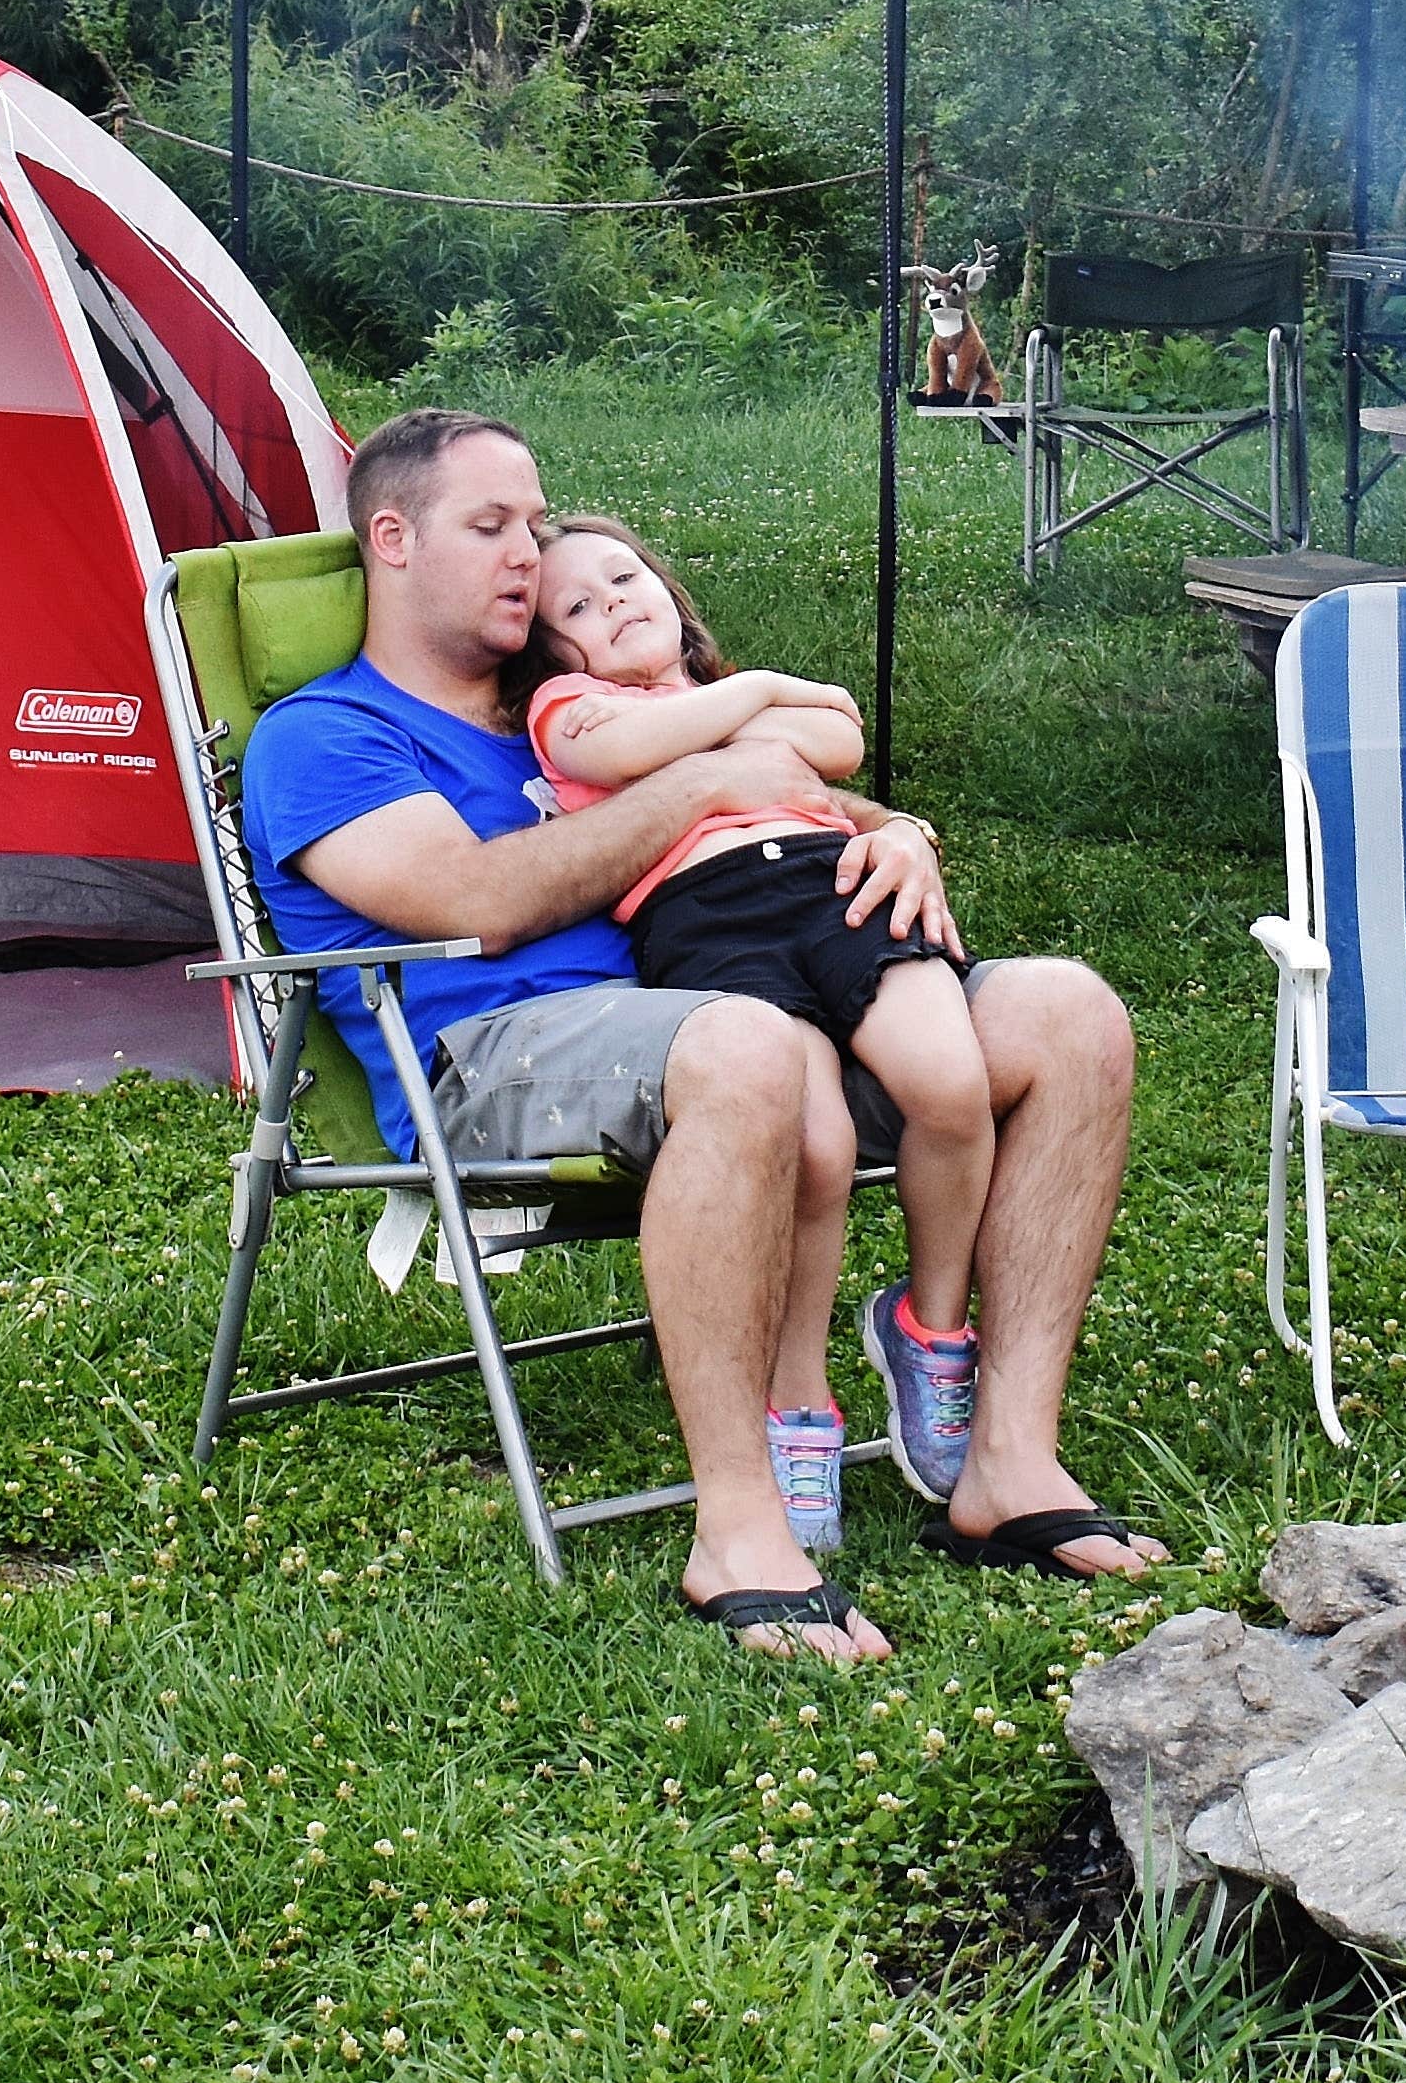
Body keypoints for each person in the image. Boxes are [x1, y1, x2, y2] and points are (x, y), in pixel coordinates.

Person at [242, 409, 1168, 1661]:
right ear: (393, 539)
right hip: (508, 1057)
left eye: (536, 520)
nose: (530, 550)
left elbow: (779, 794)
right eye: (491, 524)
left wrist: (891, 830)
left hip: (745, 1002)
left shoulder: (579, 710)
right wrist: (708, 781)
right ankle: (738, 1529)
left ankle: (1008, 1455)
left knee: (1069, 1012)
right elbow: (477, 901)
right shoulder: (328, 734)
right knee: (742, 1046)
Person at [505, 514, 1000, 1542]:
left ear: (667, 586)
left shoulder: (699, 702)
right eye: (580, 610)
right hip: (711, 919)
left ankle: (930, 1329)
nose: (615, 604)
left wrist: (736, 710)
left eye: (625, 577)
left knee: (952, 1088)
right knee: (813, 1151)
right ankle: (798, 1401)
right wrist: (761, 696)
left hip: (840, 889)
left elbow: (843, 739)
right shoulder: (570, 709)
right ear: (556, 655)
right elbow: (646, 744)